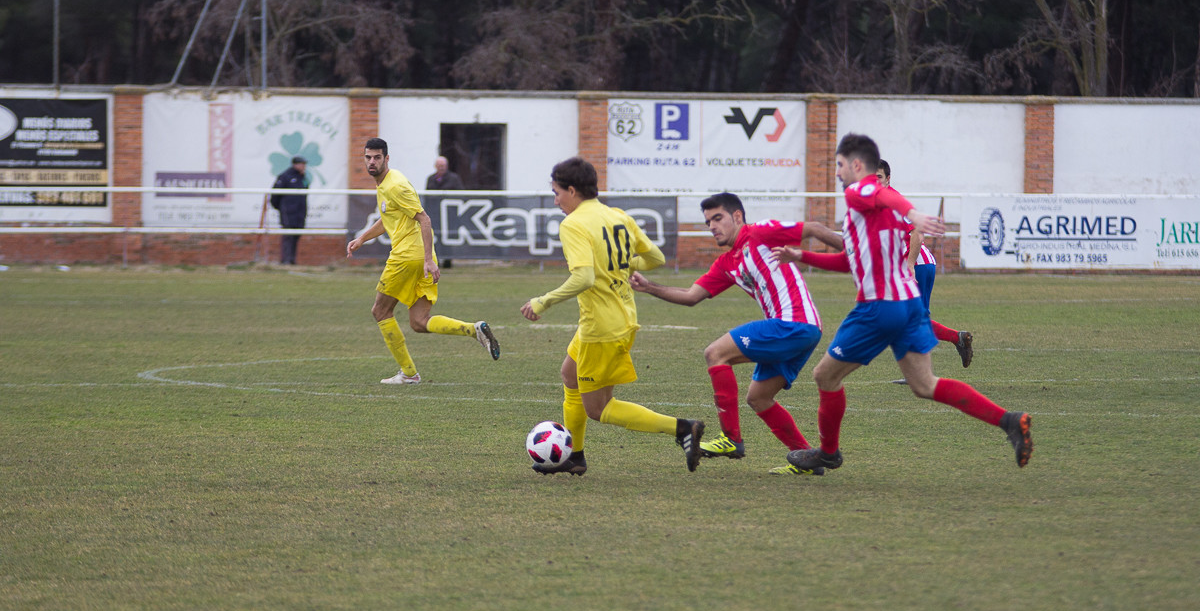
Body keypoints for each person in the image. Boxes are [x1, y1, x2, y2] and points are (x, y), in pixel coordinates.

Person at [774, 133, 1033, 472]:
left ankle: (828, 452)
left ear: (856, 165)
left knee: (825, 376)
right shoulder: (874, 208)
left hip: (879, 307)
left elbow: (876, 191)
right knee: (926, 385)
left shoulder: (861, 191)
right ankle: (1010, 421)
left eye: (839, 165)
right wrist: (801, 255)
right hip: (908, 304)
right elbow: (851, 261)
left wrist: (913, 213)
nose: (837, 173)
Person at [630, 192, 843, 476]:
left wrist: (856, 252)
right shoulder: (727, 262)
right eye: (708, 222)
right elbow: (692, 295)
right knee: (759, 397)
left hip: (793, 323)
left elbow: (814, 228)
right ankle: (807, 461)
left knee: (715, 353)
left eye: (718, 218)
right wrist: (649, 287)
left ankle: (731, 439)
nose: (713, 226)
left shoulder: (760, 233)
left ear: (738, 217)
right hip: (801, 331)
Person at [519, 156, 706, 476]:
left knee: (599, 408)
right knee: (569, 375)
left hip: (601, 327)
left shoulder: (573, 223)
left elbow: (584, 279)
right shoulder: (617, 216)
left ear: (572, 190)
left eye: (557, 192)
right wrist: (623, 264)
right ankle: (575, 457)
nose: (555, 200)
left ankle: (681, 428)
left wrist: (543, 302)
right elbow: (656, 257)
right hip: (618, 315)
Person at [346, 137, 500, 385]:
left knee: (380, 310)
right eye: (368, 157)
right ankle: (474, 329)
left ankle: (408, 373)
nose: (372, 162)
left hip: (407, 257)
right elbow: (388, 217)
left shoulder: (394, 185)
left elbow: (424, 219)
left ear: (387, 158)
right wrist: (362, 238)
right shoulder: (386, 183)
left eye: (377, 157)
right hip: (419, 257)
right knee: (419, 322)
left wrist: (428, 261)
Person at [876, 159, 973, 371]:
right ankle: (955, 340)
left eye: (879, 177)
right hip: (923, 264)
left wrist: (910, 265)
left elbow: (917, 234)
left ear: (888, 179)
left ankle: (924, 367)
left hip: (917, 266)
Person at [425, 156, 465, 268]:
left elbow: (461, 194)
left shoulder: (454, 178)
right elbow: (428, 195)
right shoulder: (431, 179)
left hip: (449, 215)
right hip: (435, 215)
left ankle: (448, 260)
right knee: (435, 237)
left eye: (442, 166)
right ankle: (436, 260)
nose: (441, 168)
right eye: (439, 166)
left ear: (446, 166)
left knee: (447, 237)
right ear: (435, 166)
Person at [270, 155, 308, 265]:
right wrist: (282, 208)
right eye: (302, 164)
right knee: (288, 235)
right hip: (288, 212)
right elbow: (275, 196)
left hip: (300, 212)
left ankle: (292, 260)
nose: (304, 166)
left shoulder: (303, 177)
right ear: (295, 164)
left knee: (296, 235)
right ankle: (285, 260)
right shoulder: (285, 176)